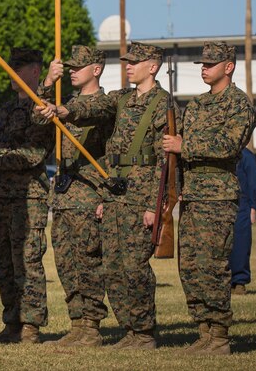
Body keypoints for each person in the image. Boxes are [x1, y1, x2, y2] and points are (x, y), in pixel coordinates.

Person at [39, 41, 171, 350]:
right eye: (127, 61)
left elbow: (165, 161)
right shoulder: (120, 99)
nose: (128, 66)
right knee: (113, 268)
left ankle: (142, 332)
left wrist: (155, 205)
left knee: (135, 267)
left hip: (139, 196)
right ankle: (128, 331)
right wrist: (64, 108)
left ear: (152, 66)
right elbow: (94, 106)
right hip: (115, 195)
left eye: (135, 62)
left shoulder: (162, 102)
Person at [163, 41, 255, 355]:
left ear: (228, 66)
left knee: (213, 267)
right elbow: (177, 153)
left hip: (217, 198)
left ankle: (219, 336)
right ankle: (203, 330)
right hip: (191, 196)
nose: (204, 69)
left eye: (210, 64)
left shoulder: (238, 104)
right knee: (189, 268)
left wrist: (183, 144)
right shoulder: (197, 105)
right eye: (202, 65)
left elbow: (229, 145)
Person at [0, 47, 50, 345]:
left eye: (19, 67)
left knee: (26, 262)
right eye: (10, 67)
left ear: (35, 71)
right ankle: (12, 321)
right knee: (2, 261)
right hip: (2, 195)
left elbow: (34, 154)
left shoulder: (41, 110)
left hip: (29, 197)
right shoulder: (6, 110)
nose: (12, 73)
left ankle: (30, 326)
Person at [38, 45, 113, 348]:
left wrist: (64, 110)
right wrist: (46, 84)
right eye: (70, 67)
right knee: (66, 263)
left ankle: (92, 327)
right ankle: (77, 323)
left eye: (79, 67)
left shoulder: (106, 103)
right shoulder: (62, 99)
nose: (72, 71)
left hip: (89, 193)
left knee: (88, 263)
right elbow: (37, 118)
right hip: (65, 194)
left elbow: (89, 112)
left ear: (96, 69)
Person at [231, 146, 256, 294]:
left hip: (242, 205)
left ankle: (239, 282)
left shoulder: (246, 156)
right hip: (222, 202)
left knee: (241, 245)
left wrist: (254, 207)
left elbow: (253, 183)